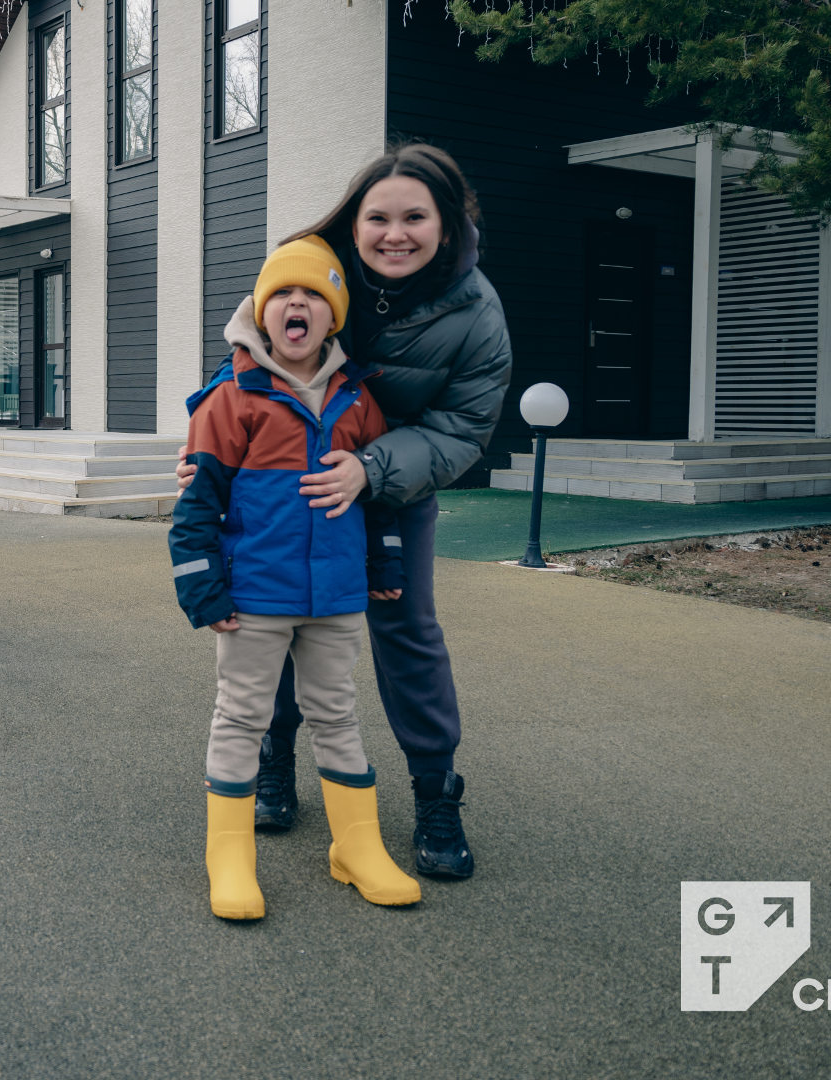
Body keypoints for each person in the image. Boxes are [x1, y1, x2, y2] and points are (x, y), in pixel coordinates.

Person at [179, 142, 512, 880]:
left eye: (415, 218)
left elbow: (462, 431)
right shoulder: (312, 265)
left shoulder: (477, 313)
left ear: (447, 224)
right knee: (273, 611)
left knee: (406, 625)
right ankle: (273, 758)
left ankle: (436, 790)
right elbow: (250, 351)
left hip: (392, 481)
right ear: (353, 223)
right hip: (283, 479)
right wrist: (208, 439)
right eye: (378, 218)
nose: (395, 234)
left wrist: (371, 469)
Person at [170, 236, 421, 920]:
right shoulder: (231, 398)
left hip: (336, 595)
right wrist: (203, 589)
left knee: (336, 713)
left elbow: (380, 499)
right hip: (254, 597)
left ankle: (357, 847)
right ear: (261, 310)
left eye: (312, 293)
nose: (296, 303)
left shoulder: (358, 400)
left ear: (333, 315)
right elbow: (195, 511)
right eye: (282, 292)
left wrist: (384, 565)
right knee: (242, 715)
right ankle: (228, 856)